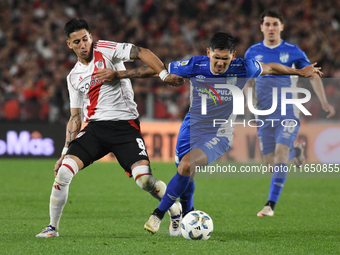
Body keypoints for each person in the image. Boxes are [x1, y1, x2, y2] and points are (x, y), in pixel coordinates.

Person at [105, 32, 322, 234]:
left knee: (187, 166)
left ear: (233, 56)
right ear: (208, 52)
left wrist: (299, 71)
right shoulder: (194, 64)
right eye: (216, 58)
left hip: (220, 131)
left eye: (225, 59)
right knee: (184, 173)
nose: (219, 64)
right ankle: (188, 213)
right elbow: (158, 68)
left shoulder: (244, 67)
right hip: (191, 127)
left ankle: (158, 214)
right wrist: (120, 74)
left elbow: (272, 68)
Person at [36, 18, 184, 238]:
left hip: (125, 128)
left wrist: (162, 75)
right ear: (69, 45)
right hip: (95, 129)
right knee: (64, 172)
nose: (83, 45)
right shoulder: (73, 77)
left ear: (91, 37)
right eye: (77, 42)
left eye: (85, 39)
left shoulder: (106, 50)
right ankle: (52, 227)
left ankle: (174, 208)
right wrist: (64, 152)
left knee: (144, 180)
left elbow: (142, 52)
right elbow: (76, 117)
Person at [244, 10, 335, 217]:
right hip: (264, 114)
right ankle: (298, 153)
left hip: (288, 110)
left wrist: (324, 102)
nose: (271, 28)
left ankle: (270, 205)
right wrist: (248, 101)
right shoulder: (252, 52)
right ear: (261, 27)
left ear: (281, 27)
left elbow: (312, 74)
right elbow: (248, 81)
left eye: (275, 24)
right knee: (271, 164)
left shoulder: (292, 51)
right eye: (267, 24)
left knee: (280, 154)